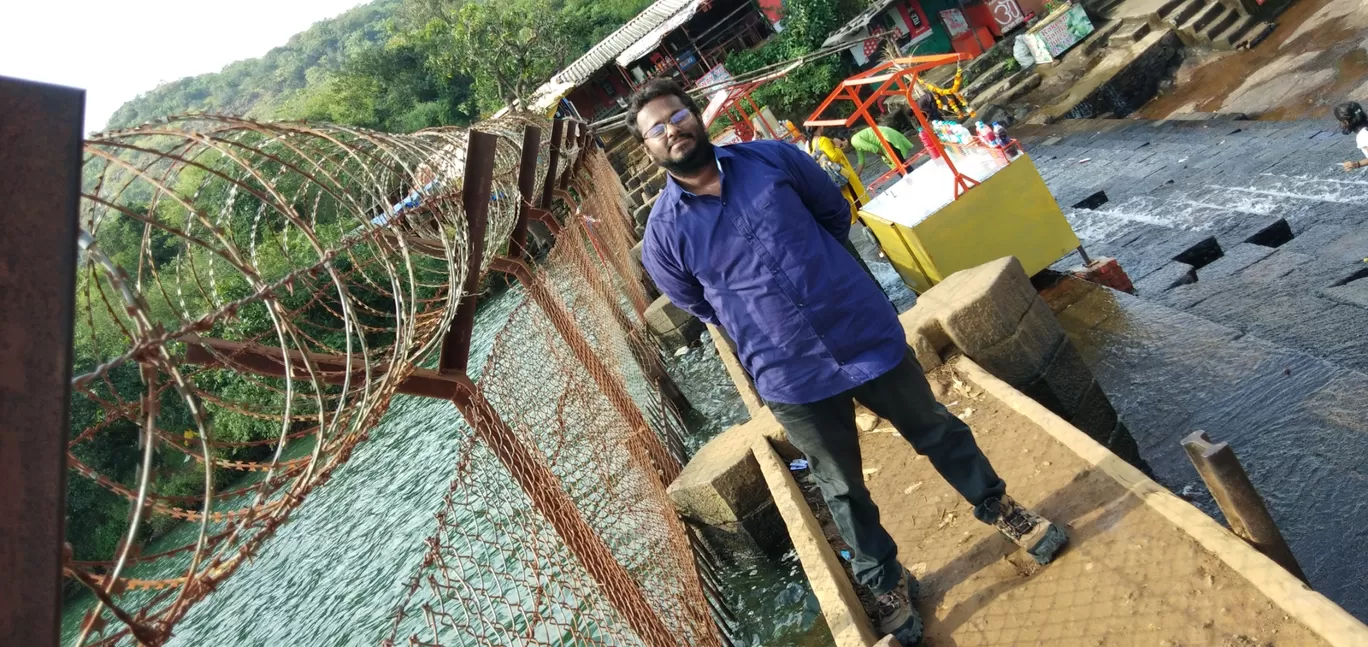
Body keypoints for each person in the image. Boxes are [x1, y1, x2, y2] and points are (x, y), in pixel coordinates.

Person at [627, 79, 1067, 645]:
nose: (672, 130)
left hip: (860, 332)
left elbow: (833, 213)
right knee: (841, 486)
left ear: (695, 116)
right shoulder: (665, 235)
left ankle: (1001, 507)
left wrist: (825, 280)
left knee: (934, 427)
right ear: (649, 150)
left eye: (676, 114)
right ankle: (885, 581)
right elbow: (698, 303)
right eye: (656, 129)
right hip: (789, 373)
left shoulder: (772, 159)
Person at [807, 127, 867, 222]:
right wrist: (838, 146)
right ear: (819, 127)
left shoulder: (810, 145)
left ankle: (864, 223)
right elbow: (834, 157)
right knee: (859, 202)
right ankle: (870, 225)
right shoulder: (822, 140)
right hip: (843, 175)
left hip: (834, 179)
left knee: (851, 203)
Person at [850, 124, 917, 175]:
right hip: (886, 136)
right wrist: (856, 176)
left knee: (900, 167)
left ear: (844, 140)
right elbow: (861, 161)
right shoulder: (856, 142)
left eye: (842, 145)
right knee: (899, 166)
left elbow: (874, 148)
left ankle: (913, 180)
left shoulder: (854, 140)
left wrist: (885, 157)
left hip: (885, 139)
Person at [1336, 101, 1368, 171]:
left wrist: (1355, 164)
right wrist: (1357, 164)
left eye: (1340, 121)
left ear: (1346, 122)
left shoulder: (1362, 136)